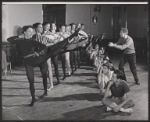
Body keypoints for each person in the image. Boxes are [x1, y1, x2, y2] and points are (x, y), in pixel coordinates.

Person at [7, 25, 80, 106]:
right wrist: (21, 36)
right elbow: (9, 39)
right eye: (29, 31)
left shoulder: (34, 41)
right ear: (24, 32)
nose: (31, 33)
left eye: (32, 31)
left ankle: (45, 91)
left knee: (54, 49)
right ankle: (33, 98)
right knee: (31, 81)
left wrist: (37, 52)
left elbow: (44, 47)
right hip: (28, 62)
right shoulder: (19, 41)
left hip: (39, 59)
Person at [32, 22, 54, 91]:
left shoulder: (43, 36)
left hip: (46, 54)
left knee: (49, 68)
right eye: (40, 27)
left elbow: (54, 41)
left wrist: (48, 44)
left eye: (42, 27)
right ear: (36, 28)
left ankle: (51, 85)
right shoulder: (33, 37)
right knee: (43, 70)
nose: (42, 28)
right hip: (38, 55)